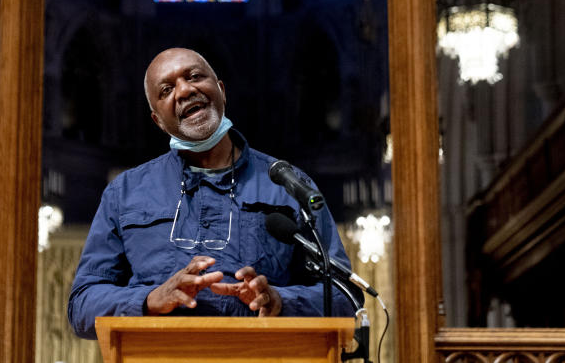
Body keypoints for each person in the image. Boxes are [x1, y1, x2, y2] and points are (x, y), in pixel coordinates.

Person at [68, 47, 358, 339]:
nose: (184, 90)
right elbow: (82, 304)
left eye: (194, 76)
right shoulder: (125, 192)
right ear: (157, 119)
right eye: (166, 89)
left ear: (221, 90)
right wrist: (149, 300)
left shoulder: (287, 185)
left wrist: (282, 302)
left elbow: (347, 297)